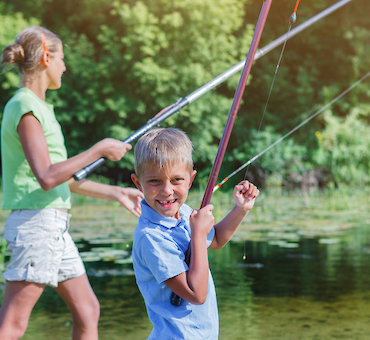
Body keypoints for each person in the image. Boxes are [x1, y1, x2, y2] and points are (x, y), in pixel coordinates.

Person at [0, 26, 144, 339]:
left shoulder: (39, 108)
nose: (65, 66)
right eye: (62, 58)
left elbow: (63, 179)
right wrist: (99, 149)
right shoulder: (25, 107)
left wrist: (116, 192)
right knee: (11, 326)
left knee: (88, 311)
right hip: (38, 226)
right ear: (46, 58)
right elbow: (48, 176)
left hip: (53, 226)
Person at [130, 128, 259, 339]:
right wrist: (198, 234)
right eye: (155, 181)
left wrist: (241, 208)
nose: (166, 191)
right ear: (138, 183)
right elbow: (196, 295)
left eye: (176, 180)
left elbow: (215, 240)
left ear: (190, 179)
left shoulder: (184, 212)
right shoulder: (150, 237)